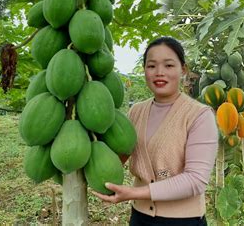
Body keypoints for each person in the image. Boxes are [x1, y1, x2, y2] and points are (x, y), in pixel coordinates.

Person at [93, 37, 219, 226]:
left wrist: (133, 193)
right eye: (151, 66)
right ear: (144, 69)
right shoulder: (136, 111)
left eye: (169, 65)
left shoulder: (200, 116)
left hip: (184, 222)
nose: (159, 73)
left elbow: (195, 180)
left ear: (183, 69)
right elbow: (120, 154)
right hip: (139, 218)